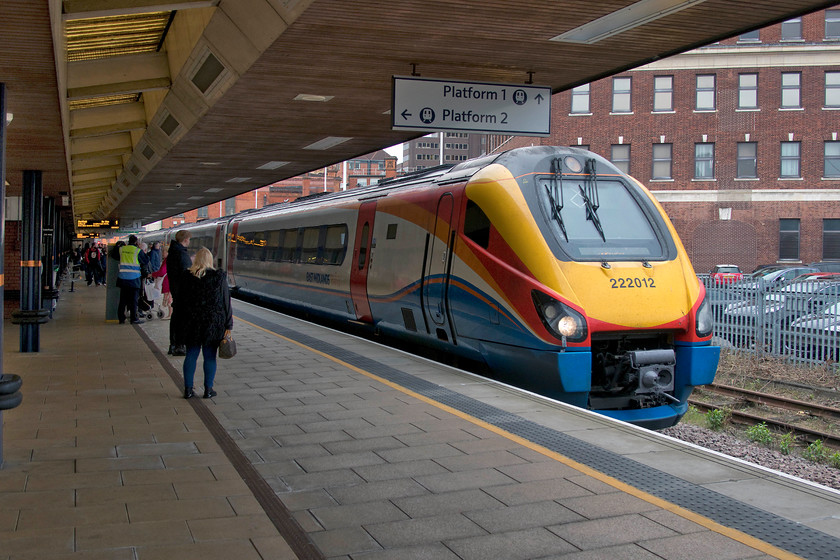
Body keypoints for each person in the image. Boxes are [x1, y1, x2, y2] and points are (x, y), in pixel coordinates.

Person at [173, 247, 232, 399]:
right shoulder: (218, 277)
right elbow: (226, 302)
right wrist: (228, 324)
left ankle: (188, 390)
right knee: (210, 357)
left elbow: (179, 302)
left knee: (191, 355)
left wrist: (178, 323)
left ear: (196, 259)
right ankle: (208, 389)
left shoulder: (186, 277)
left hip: (191, 322)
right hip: (213, 323)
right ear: (210, 260)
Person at [166, 230, 192, 355]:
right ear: (185, 239)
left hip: (176, 289)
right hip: (182, 291)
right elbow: (187, 274)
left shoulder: (173, 252)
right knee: (182, 318)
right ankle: (179, 345)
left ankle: (174, 344)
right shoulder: (181, 254)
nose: (190, 242)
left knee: (176, 316)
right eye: (189, 239)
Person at [116, 234, 151, 324]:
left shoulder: (122, 249)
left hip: (122, 278)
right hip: (134, 279)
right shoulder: (137, 251)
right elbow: (146, 260)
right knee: (133, 300)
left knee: (122, 300)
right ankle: (133, 318)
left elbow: (114, 255)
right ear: (136, 242)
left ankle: (121, 318)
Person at [150, 248, 171, 318]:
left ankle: (170, 314)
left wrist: (152, 274)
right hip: (167, 281)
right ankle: (170, 314)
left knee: (168, 298)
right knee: (168, 297)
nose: (162, 254)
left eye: (164, 252)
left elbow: (162, 272)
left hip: (167, 281)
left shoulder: (167, 261)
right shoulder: (167, 260)